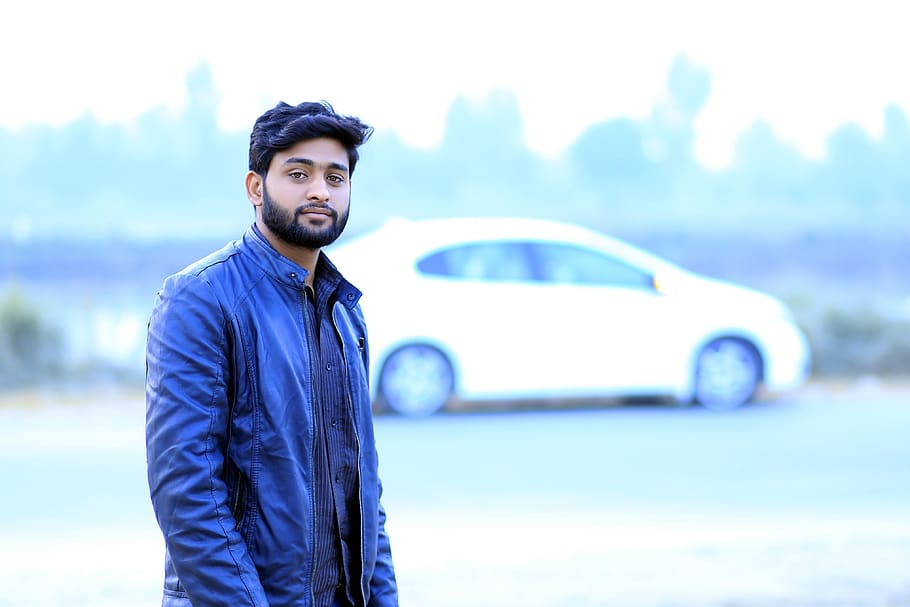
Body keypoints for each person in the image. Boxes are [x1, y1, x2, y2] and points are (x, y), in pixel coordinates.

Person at [145, 101, 398, 607]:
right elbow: (186, 488)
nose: (319, 190)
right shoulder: (202, 297)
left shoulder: (344, 311)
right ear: (255, 187)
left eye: (335, 176)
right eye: (298, 173)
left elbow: (364, 491)